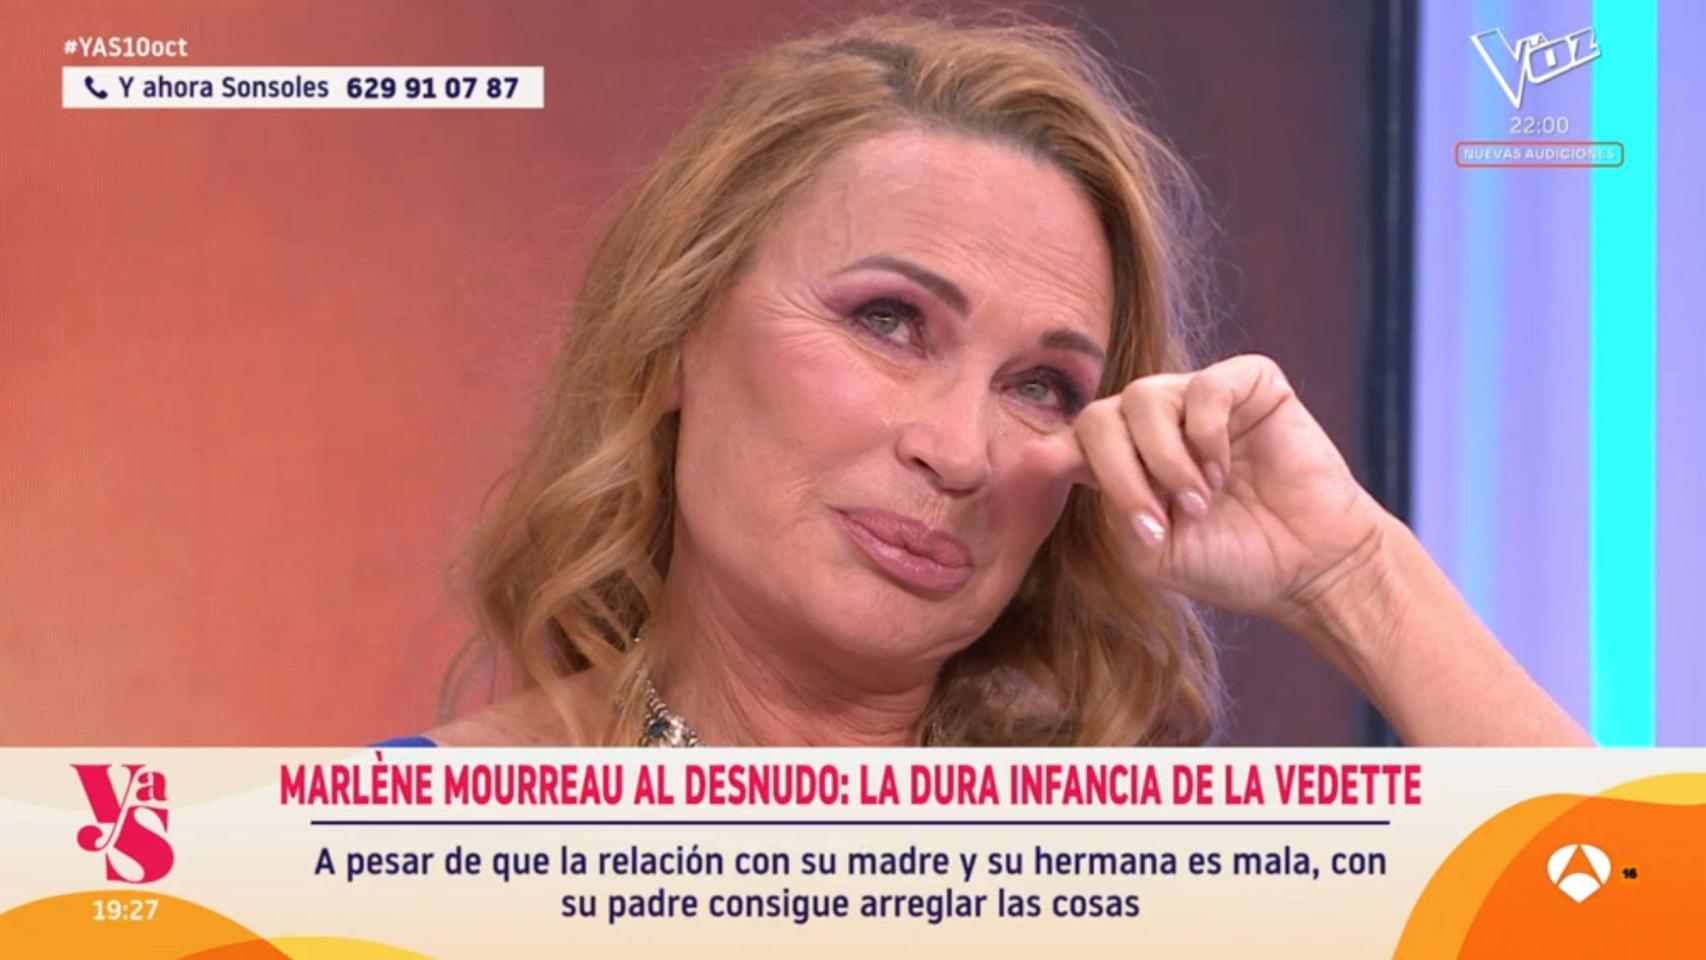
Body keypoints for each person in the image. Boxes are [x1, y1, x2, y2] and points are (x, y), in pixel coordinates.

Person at [413, 13, 1590, 748]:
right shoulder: (413, 847)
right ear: (675, 332)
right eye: (887, 321)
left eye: (1042, 387)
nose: (960, 452)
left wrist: (1353, 574)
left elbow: (1630, 910)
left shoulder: (1135, 867)